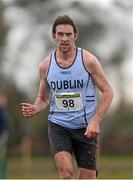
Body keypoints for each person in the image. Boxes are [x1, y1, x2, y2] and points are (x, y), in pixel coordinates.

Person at [20, 15, 113, 179]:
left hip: (86, 128)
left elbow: (108, 91)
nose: (64, 38)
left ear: (75, 35)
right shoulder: (45, 66)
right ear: (54, 36)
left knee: (87, 178)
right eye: (60, 34)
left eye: (68, 34)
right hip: (59, 125)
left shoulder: (88, 61)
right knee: (67, 174)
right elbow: (43, 98)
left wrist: (96, 120)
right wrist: (35, 108)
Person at [0, 92, 11, 178]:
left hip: (3, 135)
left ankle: (2, 176)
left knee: (2, 157)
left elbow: (7, 125)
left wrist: (6, 135)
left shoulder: (4, 111)